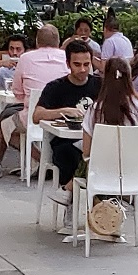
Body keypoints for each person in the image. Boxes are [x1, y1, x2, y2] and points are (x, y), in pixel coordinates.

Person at [0, 24, 69, 181]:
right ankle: (45, 161)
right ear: (58, 41)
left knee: (4, 124)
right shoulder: (67, 58)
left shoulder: (26, 59)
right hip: (62, 117)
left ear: (37, 41)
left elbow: (17, 92)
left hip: (34, 117)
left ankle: (0, 164)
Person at [35, 38, 99, 208]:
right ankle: (79, 205)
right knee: (69, 154)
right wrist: (63, 111)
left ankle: (69, 192)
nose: (83, 69)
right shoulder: (56, 87)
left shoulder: (99, 85)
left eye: (86, 64)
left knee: (101, 156)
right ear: (68, 64)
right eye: (77, 64)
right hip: (65, 141)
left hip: (94, 142)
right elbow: (37, 115)